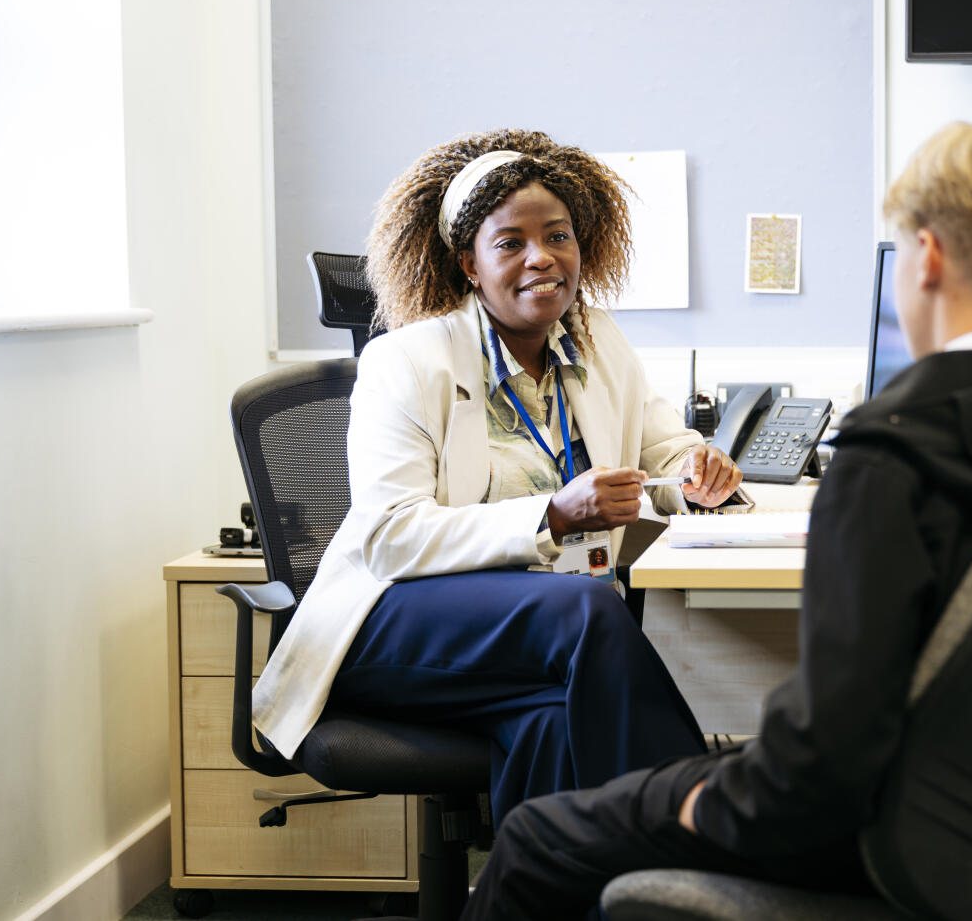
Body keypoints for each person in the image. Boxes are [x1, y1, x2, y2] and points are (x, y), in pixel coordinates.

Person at [459, 122, 972, 920]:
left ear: (924, 257)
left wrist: (689, 802)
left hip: (902, 837)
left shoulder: (897, 451)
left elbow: (823, 765)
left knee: (536, 838)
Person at [249, 129, 744, 825]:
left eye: (558, 236)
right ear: (469, 265)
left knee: (551, 723)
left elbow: (667, 451)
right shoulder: (407, 361)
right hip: (391, 624)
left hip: (535, 631)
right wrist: (553, 516)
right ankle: (709, 831)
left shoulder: (597, 342)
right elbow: (390, 538)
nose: (542, 258)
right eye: (510, 242)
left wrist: (698, 469)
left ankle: (545, 893)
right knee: (591, 611)